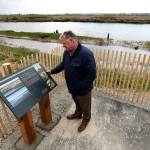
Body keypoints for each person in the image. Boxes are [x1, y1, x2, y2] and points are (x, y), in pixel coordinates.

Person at [47, 31, 96, 132]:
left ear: (72, 41)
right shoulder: (67, 52)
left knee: (85, 106)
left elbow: (92, 74)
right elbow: (63, 65)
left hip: (83, 90)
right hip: (72, 87)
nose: (63, 46)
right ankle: (78, 114)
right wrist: (52, 71)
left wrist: (82, 86)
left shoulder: (86, 54)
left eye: (64, 43)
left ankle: (86, 119)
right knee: (77, 103)